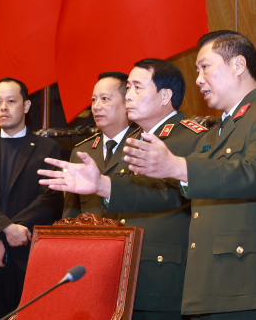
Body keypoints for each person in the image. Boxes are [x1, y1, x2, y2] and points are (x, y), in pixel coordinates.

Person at [40, 31, 256, 319]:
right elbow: (169, 194)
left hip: (251, 286)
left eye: (205, 67)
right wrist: (103, 185)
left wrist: (178, 167)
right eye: (197, 70)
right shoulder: (215, 134)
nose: (199, 79)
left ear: (238, 65)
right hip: (208, 289)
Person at [65, 65, 203, 320]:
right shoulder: (132, 140)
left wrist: (104, 186)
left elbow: (173, 195)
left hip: (163, 277)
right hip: (117, 276)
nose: (128, 95)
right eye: (127, 88)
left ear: (165, 95)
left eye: (137, 88)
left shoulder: (193, 139)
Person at [0, 78, 63, 319]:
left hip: (28, 256)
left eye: (10, 101)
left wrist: (4, 240)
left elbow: (49, 198)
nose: (3, 107)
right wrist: (5, 229)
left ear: (26, 106)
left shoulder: (47, 148)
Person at [62, 72, 136, 219]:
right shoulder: (82, 152)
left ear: (127, 102)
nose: (96, 106)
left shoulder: (142, 146)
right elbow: (71, 215)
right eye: (94, 100)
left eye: (105, 99)